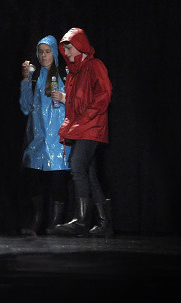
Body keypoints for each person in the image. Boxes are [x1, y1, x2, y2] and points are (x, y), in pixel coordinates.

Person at [47, 27, 113, 237]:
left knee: (76, 167)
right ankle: (104, 224)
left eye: (69, 48)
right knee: (88, 173)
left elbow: (104, 94)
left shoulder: (94, 65)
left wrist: (86, 117)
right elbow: (75, 102)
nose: (66, 53)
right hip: (82, 126)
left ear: (80, 46)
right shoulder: (74, 72)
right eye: (64, 49)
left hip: (91, 126)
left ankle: (82, 221)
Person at [18, 35, 70, 236]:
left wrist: (64, 98)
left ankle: (55, 223)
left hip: (59, 137)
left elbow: (77, 103)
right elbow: (25, 107)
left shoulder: (65, 75)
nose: (43, 55)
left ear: (55, 53)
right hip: (38, 138)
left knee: (58, 181)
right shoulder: (36, 77)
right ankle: (38, 218)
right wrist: (25, 80)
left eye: (47, 51)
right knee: (33, 179)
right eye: (40, 52)